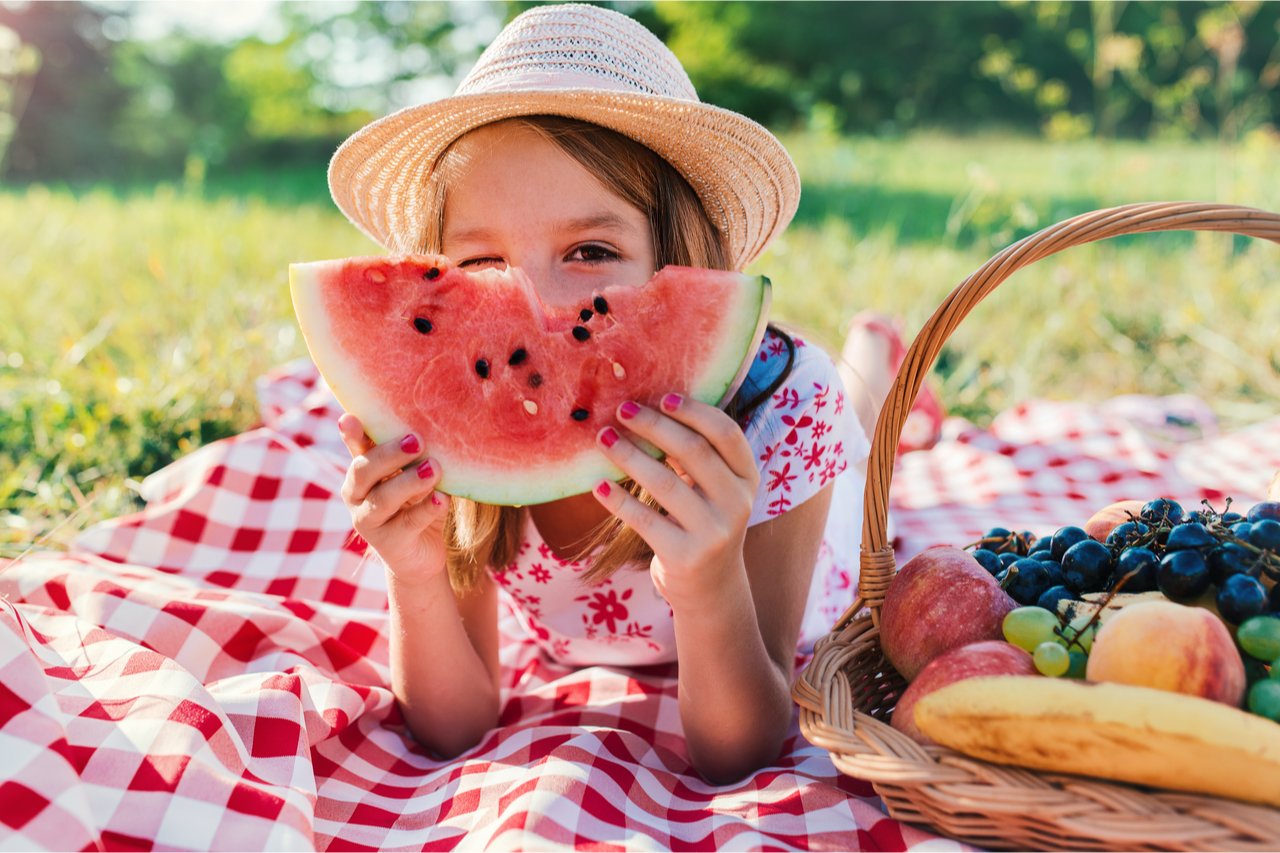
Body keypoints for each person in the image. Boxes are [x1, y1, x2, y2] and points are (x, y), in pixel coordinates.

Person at [325, 3, 929, 784]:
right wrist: (412, 574)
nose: (540, 308)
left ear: (681, 262)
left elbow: (738, 751)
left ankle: (873, 354)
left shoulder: (786, 411)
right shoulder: (441, 426)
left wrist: (709, 582)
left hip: (800, 481)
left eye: (589, 251)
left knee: (866, 430)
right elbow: (453, 725)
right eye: (482, 266)